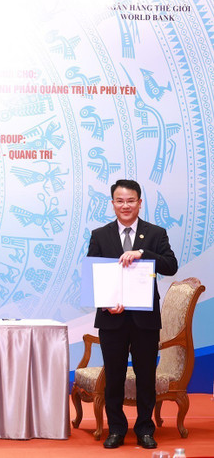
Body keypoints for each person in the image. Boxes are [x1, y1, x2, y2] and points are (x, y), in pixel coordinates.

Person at [88, 179, 177, 450]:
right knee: (114, 376)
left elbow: (170, 266)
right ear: (112, 203)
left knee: (145, 376)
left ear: (139, 202)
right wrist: (105, 303)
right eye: (120, 200)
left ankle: (144, 429)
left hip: (145, 320)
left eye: (130, 201)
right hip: (112, 319)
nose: (125, 206)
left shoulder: (155, 233)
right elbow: (93, 275)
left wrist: (142, 253)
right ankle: (116, 429)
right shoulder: (100, 234)